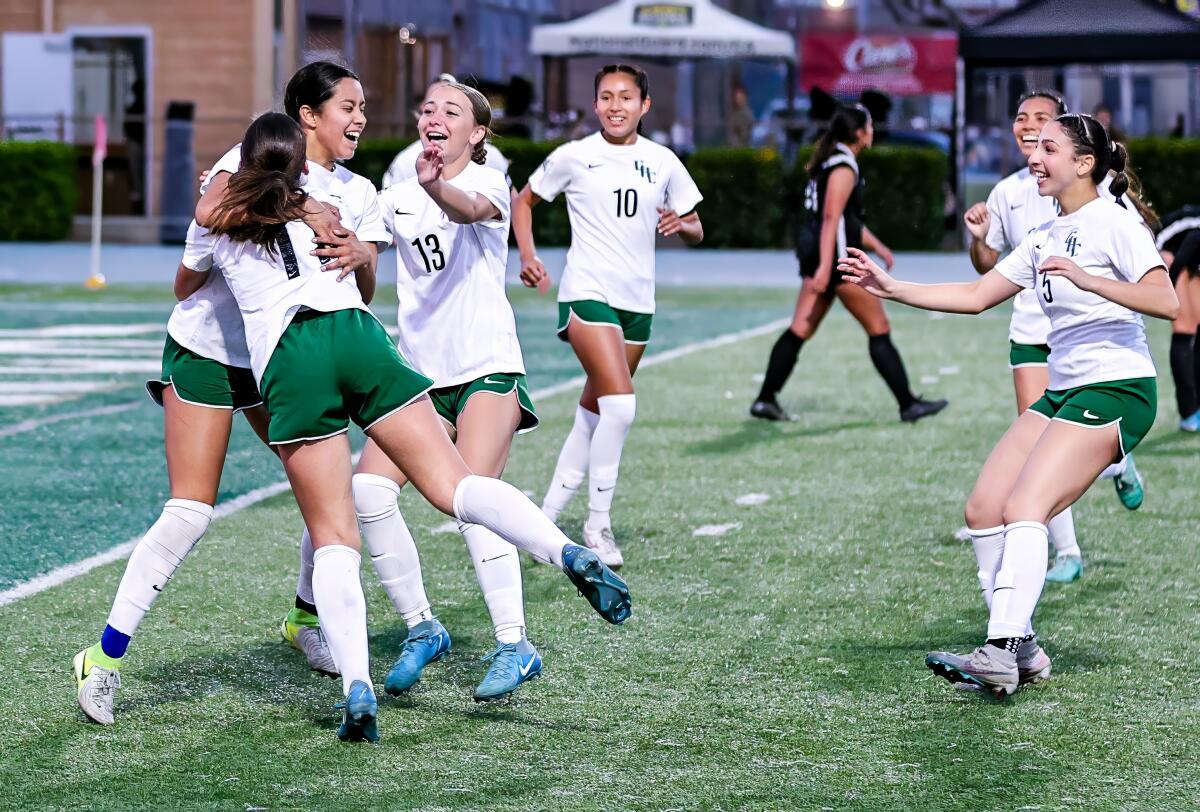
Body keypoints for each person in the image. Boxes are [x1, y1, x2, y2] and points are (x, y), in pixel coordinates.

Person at [204, 112, 631, 741]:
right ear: (300, 159)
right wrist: (309, 211)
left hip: (295, 358)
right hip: (358, 336)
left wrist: (241, 196)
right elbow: (359, 264)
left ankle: (357, 686)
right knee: (455, 488)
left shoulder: (228, 215)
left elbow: (198, 252)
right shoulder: (322, 202)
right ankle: (564, 551)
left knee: (334, 538)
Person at [71, 61, 380, 727]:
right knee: (190, 511)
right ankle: (104, 657)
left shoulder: (351, 190)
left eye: (361, 107)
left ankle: (305, 620)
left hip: (286, 362)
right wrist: (270, 215)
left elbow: (360, 286)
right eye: (348, 106)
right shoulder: (248, 160)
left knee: (331, 495)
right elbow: (201, 238)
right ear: (308, 116)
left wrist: (361, 255)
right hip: (211, 356)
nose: (358, 118)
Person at [840, 112, 1178, 696]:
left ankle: (998, 650)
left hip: (1118, 388)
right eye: (1033, 146)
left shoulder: (1114, 222)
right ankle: (1023, 649)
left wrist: (1091, 280)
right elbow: (976, 295)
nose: (1034, 155)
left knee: (1026, 505)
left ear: (1084, 163)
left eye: (1049, 147)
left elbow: (1166, 300)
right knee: (984, 507)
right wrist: (891, 287)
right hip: (1064, 390)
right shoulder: (1046, 233)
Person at [358, 80, 544, 702]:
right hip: (419, 376)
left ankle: (515, 644)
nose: (435, 117)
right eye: (428, 108)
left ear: (478, 133)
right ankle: (421, 626)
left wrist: (435, 184)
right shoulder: (396, 177)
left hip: (485, 366)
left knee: (474, 501)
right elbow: (373, 245)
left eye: (452, 111)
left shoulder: (489, 179)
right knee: (367, 492)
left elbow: (464, 209)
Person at [512, 63, 704, 569]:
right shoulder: (575, 156)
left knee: (594, 412)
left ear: (645, 105)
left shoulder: (663, 161)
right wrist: (528, 257)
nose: (615, 105)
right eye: (605, 97)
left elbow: (698, 226)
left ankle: (545, 519)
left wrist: (681, 222)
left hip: (638, 302)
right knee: (619, 407)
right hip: (586, 294)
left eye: (625, 97)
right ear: (595, 105)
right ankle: (597, 525)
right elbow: (523, 201)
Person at [961, 90, 1149, 584]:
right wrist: (893, 284)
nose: (1030, 131)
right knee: (1000, 495)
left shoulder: (1106, 208)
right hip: (1035, 331)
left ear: (1078, 154)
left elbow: (1159, 292)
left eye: (1044, 125)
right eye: (1024, 121)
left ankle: (1015, 627)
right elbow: (985, 280)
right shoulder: (1012, 195)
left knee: (1029, 492)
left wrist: (1088, 279)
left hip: (1102, 364)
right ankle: (1022, 616)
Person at [750, 104, 947, 424]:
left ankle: (765, 399)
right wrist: (828, 267)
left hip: (822, 256)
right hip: (837, 261)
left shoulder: (832, 162)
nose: (872, 130)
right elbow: (830, 219)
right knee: (879, 328)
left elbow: (845, 218)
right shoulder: (843, 167)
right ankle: (908, 404)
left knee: (800, 328)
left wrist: (877, 246)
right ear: (859, 133)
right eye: (868, 125)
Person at [381, 75, 510, 189]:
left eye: (450, 112)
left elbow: (477, 209)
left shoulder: (493, 162)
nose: (436, 120)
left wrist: (432, 186)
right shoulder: (405, 162)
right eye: (429, 110)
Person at [1157, 205, 1200, 430]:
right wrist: (1170, 297)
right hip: (1167, 250)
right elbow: (1181, 259)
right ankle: (1189, 414)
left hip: (1191, 259)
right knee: (1185, 327)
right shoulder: (1194, 232)